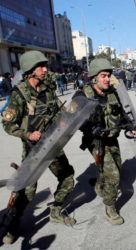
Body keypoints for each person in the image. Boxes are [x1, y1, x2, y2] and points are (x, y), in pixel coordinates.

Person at [1, 51, 76, 244]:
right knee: (27, 192)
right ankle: (12, 224)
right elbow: (8, 125)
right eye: (41, 66)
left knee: (67, 178)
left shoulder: (48, 88)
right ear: (30, 71)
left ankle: (56, 210)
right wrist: (27, 134)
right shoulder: (19, 94)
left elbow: (59, 110)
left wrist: (67, 116)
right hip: (33, 150)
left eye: (45, 65)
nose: (45, 69)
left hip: (53, 144)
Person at [72, 58, 136, 225]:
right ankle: (110, 207)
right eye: (103, 76)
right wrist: (89, 128)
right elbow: (71, 119)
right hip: (96, 141)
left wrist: (129, 126)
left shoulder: (111, 92)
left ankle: (100, 184)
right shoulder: (81, 95)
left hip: (111, 138)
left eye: (108, 75)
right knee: (113, 174)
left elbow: (121, 112)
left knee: (116, 164)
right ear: (94, 77)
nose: (107, 79)